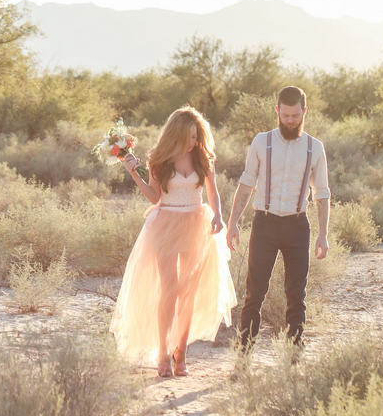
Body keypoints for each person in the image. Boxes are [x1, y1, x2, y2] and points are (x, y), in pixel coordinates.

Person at [109, 106, 237, 377]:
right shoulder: (160, 159)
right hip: (165, 224)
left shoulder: (203, 158)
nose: (192, 142)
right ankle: (163, 353)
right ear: (175, 135)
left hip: (196, 225)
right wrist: (134, 173)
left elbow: (213, 194)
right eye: (188, 137)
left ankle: (181, 353)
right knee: (169, 289)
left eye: (195, 136)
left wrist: (219, 217)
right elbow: (155, 197)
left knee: (188, 292)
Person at [226, 86, 331, 351]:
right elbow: (247, 183)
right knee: (254, 294)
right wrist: (233, 222)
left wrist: (323, 234)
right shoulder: (262, 142)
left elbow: (322, 193)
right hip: (265, 225)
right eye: (286, 115)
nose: (291, 121)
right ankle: (243, 354)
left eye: (295, 115)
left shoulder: (315, 147)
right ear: (277, 111)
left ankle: (293, 357)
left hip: (298, 226)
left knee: (296, 296)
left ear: (304, 112)